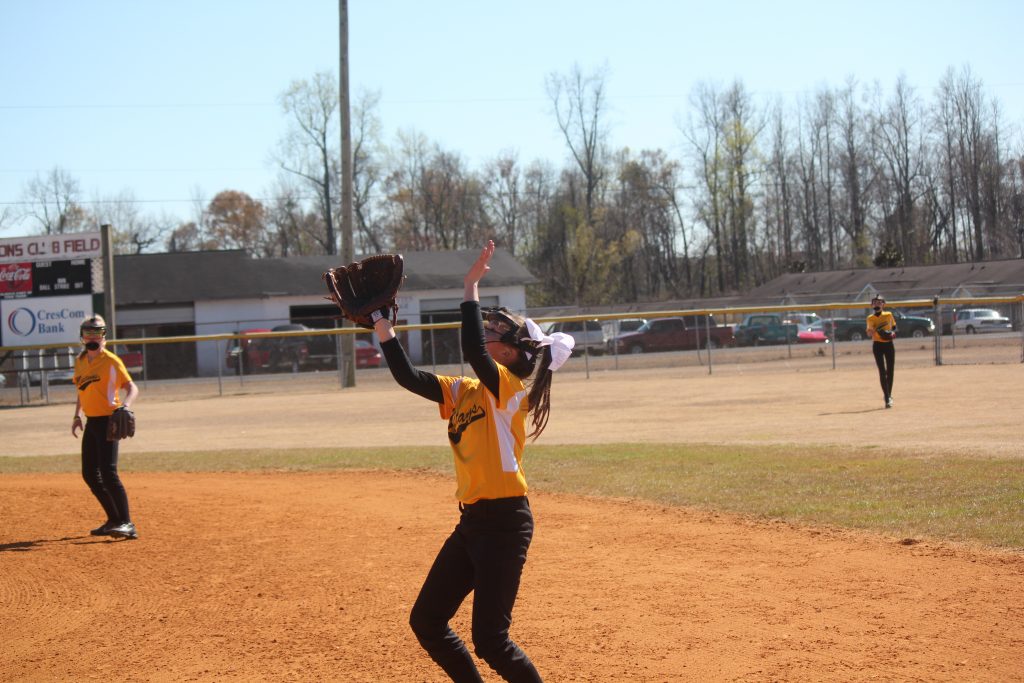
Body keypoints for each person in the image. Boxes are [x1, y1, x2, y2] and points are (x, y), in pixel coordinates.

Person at [370, 240, 574, 682]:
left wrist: (469, 288)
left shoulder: (509, 390)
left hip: (505, 523)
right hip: (473, 523)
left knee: (491, 640)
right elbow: (409, 377)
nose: (488, 334)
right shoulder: (466, 390)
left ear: (512, 352)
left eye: (496, 332)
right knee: (426, 620)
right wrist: (380, 324)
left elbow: (474, 352)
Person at [71, 314, 140, 539]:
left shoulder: (111, 361)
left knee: (108, 473)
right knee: (90, 474)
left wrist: (126, 407)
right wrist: (76, 416)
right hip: (91, 422)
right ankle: (113, 519)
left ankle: (127, 523)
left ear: (104, 337)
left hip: (109, 421)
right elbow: (81, 390)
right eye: (88, 333)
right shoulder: (80, 361)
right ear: (82, 337)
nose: (92, 337)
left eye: (97, 333)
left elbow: (132, 387)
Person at [866, 295, 897, 409]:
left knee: (890, 370)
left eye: (879, 302)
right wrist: (874, 330)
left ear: (883, 304)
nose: (877, 304)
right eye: (875, 302)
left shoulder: (888, 315)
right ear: (872, 305)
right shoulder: (870, 318)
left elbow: (894, 327)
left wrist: (892, 333)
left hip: (889, 344)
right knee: (882, 371)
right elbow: (869, 333)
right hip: (878, 345)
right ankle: (887, 397)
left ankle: (888, 394)